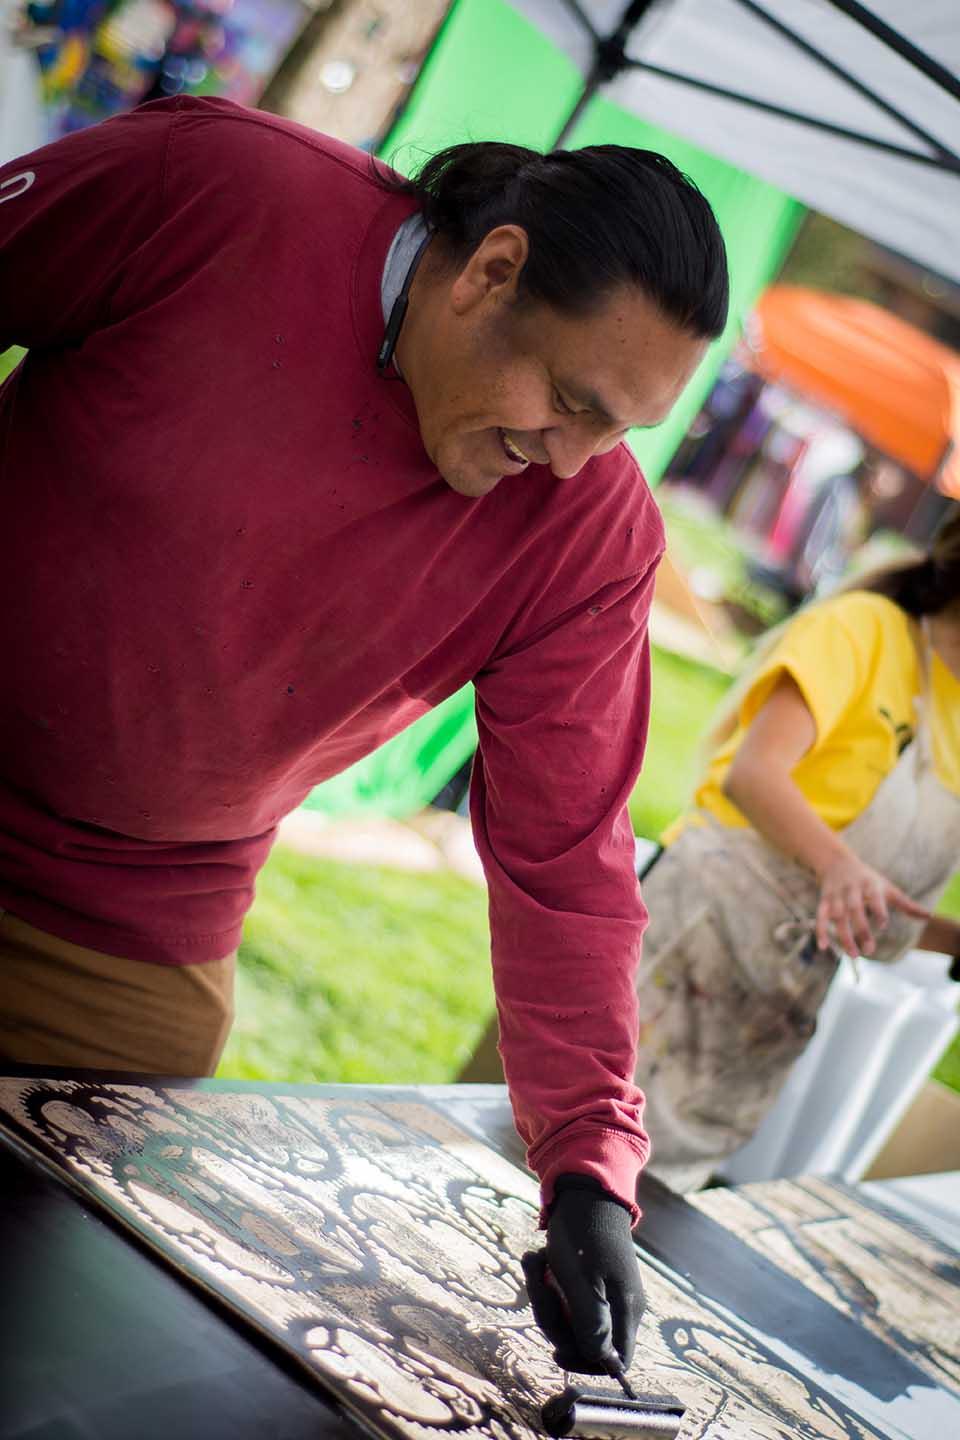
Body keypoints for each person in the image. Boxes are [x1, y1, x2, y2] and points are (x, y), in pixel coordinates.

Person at [0, 96, 728, 1374]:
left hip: (130, 922)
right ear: (493, 269)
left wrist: (587, 1169)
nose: (572, 462)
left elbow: (566, 859)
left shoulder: (591, 539)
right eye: (570, 399)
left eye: (619, 429)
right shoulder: (214, 184)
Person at [634, 508, 960, 1191]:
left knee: (653, 1200)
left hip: (774, 1000)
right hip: (701, 925)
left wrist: (952, 939)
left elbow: (876, 903)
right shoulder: (865, 630)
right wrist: (837, 865)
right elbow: (754, 774)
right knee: (566, 1158)